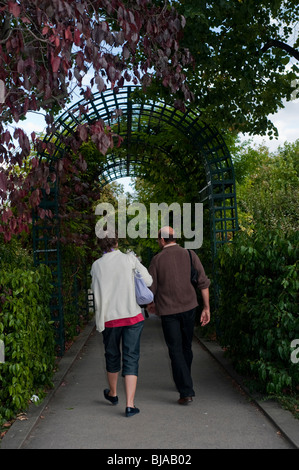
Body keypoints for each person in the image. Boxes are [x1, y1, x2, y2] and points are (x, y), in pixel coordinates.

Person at [91, 231, 152, 417]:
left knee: (112, 355)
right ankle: (130, 405)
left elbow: (95, 293)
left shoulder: (96, 266)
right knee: (131, 357)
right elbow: (148, 281)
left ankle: (113, 394)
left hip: (110, 319)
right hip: (132, 316)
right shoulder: (129, 259)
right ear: (117, 242)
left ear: (100, 244)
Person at [148, 226, 210, 405]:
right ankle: (185, 380)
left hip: (168, 312)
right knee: (186, 346)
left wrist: (150, 304)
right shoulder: (191, 255)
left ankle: (185, 390)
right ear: (174, 238)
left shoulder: (157, 260)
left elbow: (151, 289)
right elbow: (203, 283)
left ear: (161, 240)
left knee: (175, 349)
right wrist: (206, 308)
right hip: (190, 308)